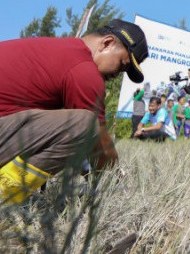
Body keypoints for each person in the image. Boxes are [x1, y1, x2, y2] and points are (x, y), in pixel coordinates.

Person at [0, 19, 148, 203]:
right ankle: (5, 198)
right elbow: (99, 148)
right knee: (84, 125)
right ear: (107, 43)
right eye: (122, 65)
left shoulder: (56, 51)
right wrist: (113, 180)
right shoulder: (84, 69)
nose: (117, 74)